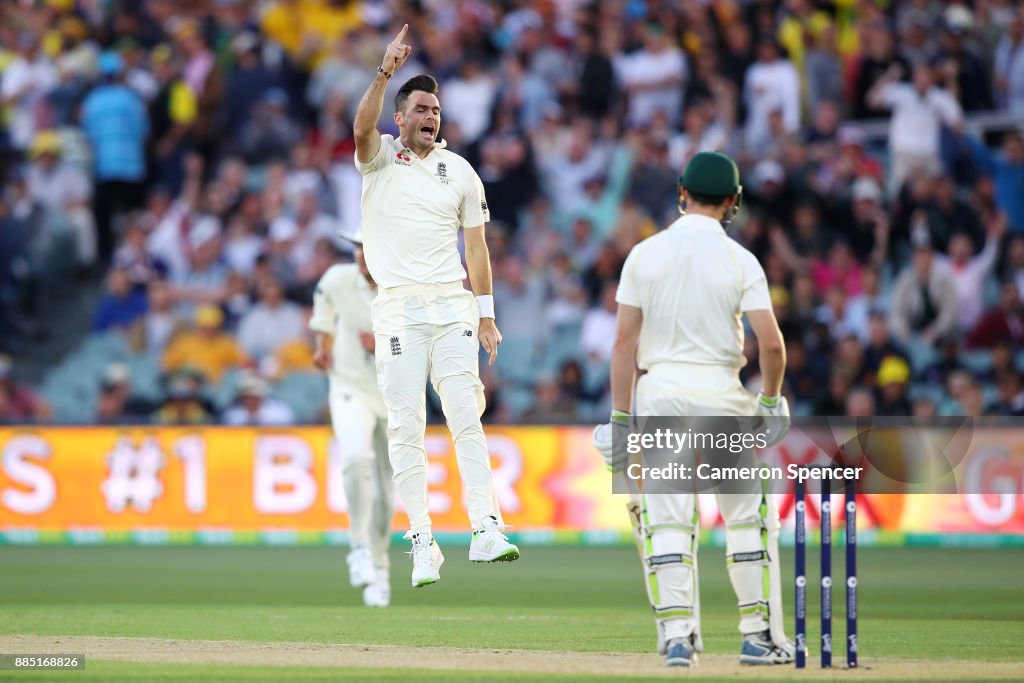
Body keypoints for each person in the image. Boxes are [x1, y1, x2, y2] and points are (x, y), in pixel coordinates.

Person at [593, 152, 793, 667]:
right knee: (748, 520)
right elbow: (771, 346)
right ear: (733, 202)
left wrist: (620, 421)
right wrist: (769, 403)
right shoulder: (740, 259)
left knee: (668, 522)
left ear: (681, 192)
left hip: (660, 398)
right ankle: (757, 637)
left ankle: (678, 638)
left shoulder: (644, 254)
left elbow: (623, 346)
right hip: (722, 399)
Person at [352, 25, 519, 588]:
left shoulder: (461, 172)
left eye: (436, 110)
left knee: (466, 416)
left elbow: (476, 248)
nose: (431, 117)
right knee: (405, 427)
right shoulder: (378, 160)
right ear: (399, 117)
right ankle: (423, 541)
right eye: (421, 108)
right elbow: (358, 129)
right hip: (397, 309)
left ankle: (485, 528)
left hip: (452, 306)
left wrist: (487, 314)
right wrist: (385, 71)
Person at [309, 233, 394, 608]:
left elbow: (428, 340)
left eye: (368, 247)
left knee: (386, 496)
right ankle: (359, 546)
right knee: (356, 459)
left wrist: (386, 342)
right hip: (349, 386)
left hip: (395, 394)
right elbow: (324, 303)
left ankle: (381, 567)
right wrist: (322, 346)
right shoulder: (338, 278)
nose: (360, 255)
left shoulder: (408, 285)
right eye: (356, 248)